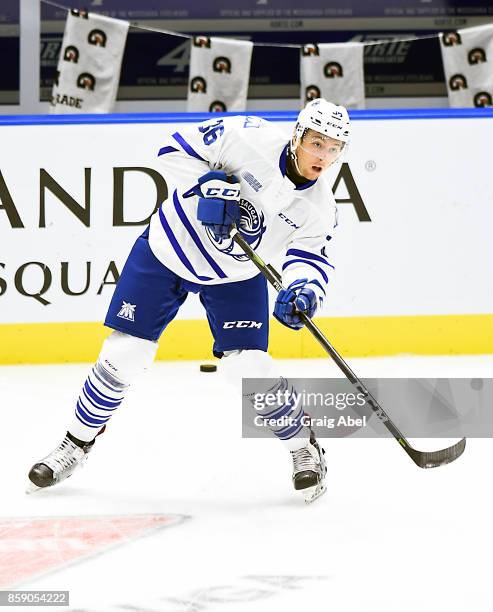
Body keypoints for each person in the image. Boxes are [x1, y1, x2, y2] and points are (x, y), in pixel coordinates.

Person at [28, 98, 350, 503]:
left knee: (247, 366)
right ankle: (74, 445)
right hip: (168, 249)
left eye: (334, 148)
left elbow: (308, 258)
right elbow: (172, 150)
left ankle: (303, 446)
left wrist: (304, 290)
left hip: (235, 275)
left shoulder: (319, 206)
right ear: (298, 136)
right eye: (317, 143)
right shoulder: (246, 136)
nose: (323, 156)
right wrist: (208, 185)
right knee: (127, 353)